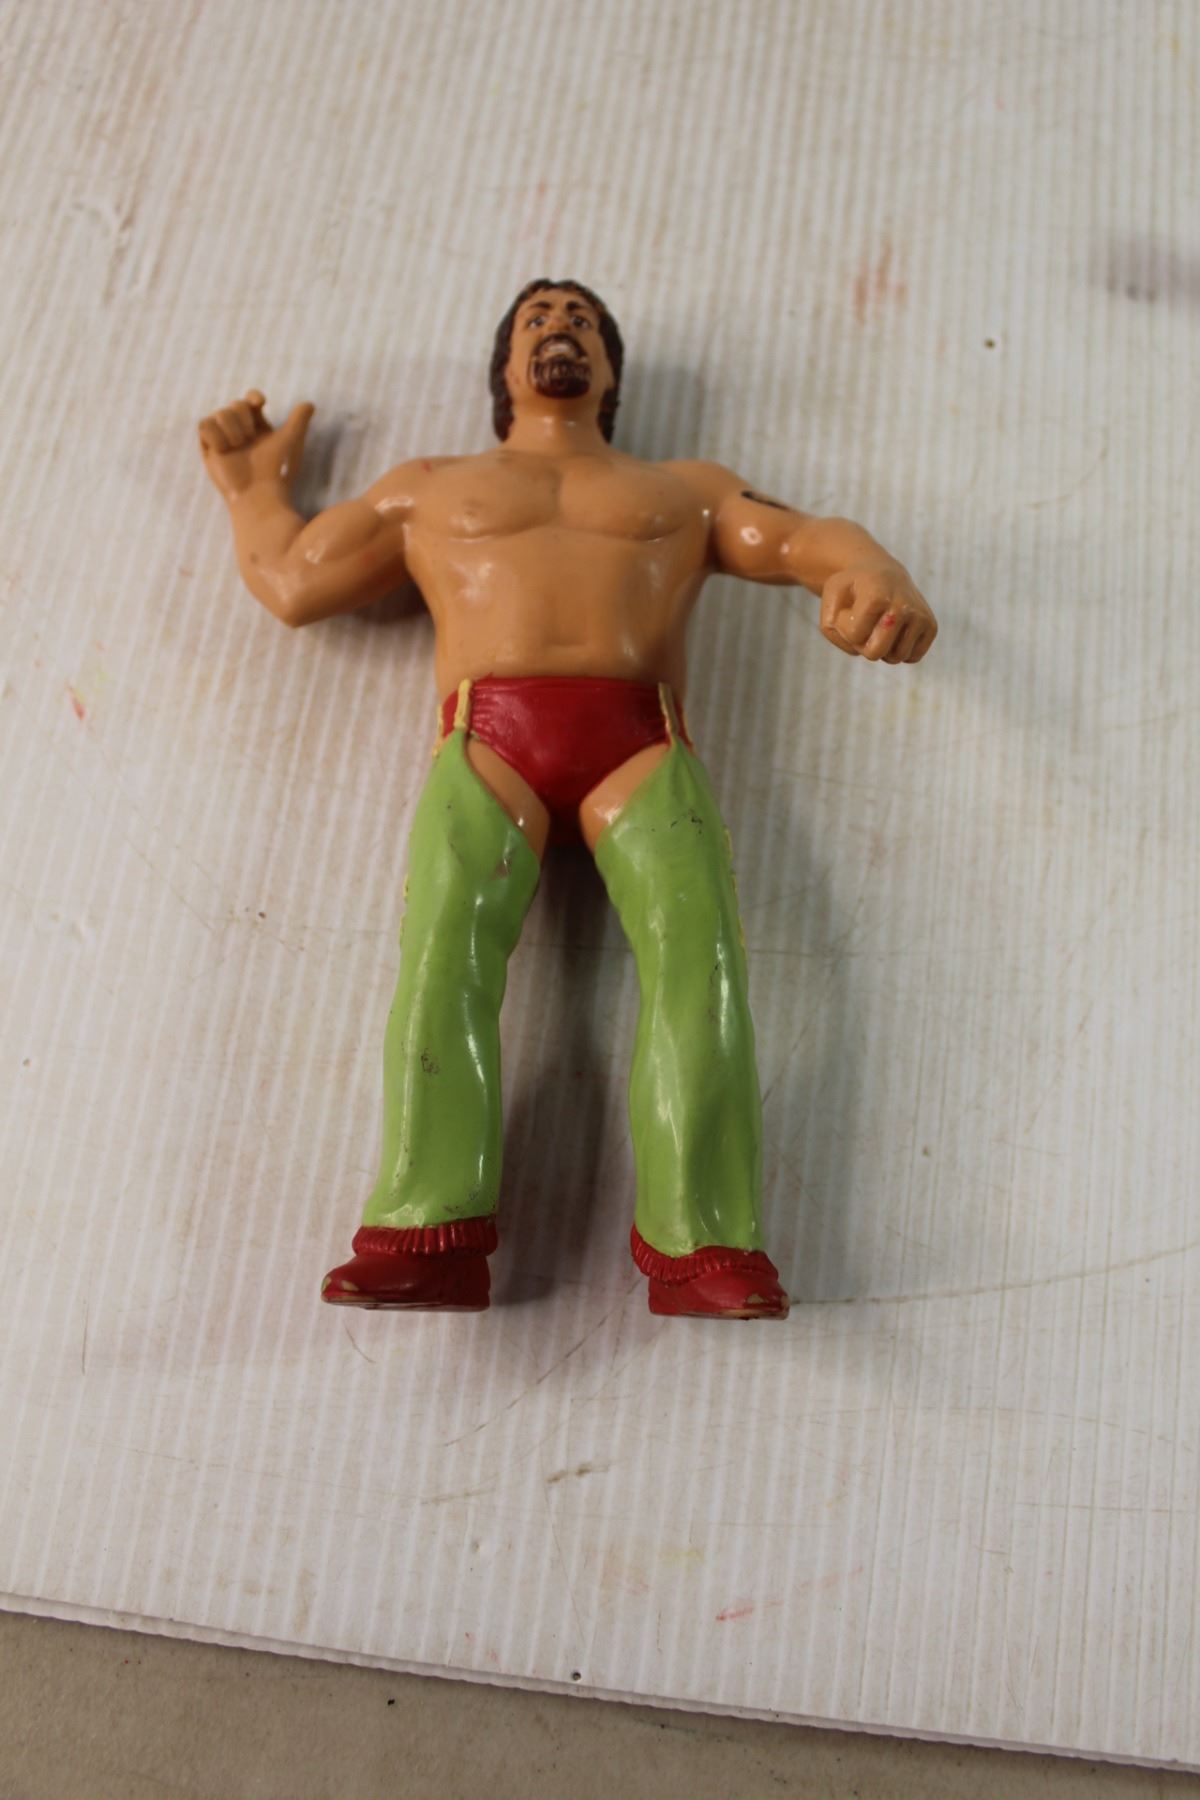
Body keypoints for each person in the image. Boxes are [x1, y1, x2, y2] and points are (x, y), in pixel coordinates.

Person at [198, 278, 937, 1318]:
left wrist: (869, 567)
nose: (561, 328)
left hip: (641, 740)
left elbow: (799, 537)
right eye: (540, 319)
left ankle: (707, 1239)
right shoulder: (428, 488)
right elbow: (293, 581)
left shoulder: (682, 490)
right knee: (441, 957)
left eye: (583, 321)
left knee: (701, 963)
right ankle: (425, 1227)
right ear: (504, 365)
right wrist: (251, 493)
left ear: (611, 371)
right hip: (485, 740)